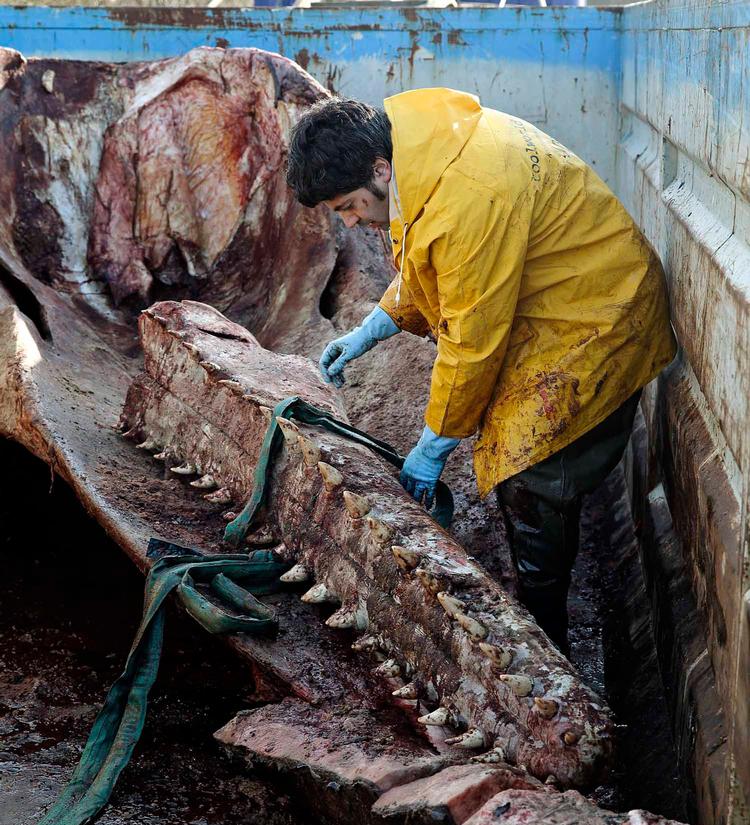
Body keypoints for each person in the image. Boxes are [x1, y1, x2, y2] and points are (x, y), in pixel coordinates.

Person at [286, 89, 675, 654]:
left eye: (349, 206)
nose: (350, 221)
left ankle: (548, 638)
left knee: (529, 471)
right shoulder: (422, 152)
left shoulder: (467, 193)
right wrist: (373, 327)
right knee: (506, 441)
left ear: (379, 169)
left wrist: (433, 446)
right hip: (561, 302)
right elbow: (433, 264)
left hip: (600, 321)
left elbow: (473, 343)